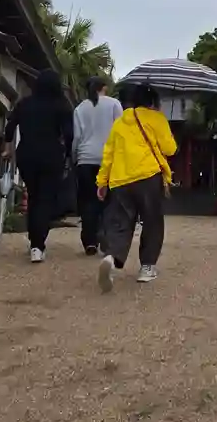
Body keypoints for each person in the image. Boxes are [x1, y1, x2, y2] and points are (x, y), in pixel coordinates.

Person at [95, 82, 177, 291]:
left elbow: (108, 154)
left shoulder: (120, 122)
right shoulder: (157, 118)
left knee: (120, 223)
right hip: (148, 177)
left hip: (120, 180)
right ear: (153, 101)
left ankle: (111, 257)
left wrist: (102, 182)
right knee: (152, 221)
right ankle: (147, 267)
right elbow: (170, 149)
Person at [1, 69, 73, 263]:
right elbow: (69, 134)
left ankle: (34, 241)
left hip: (27, 155)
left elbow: (10, 126)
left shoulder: (25, 103)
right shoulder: (61, 105)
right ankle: (37, 245)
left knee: (33, 196)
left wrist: (7, 148)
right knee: (46, 199)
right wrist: (67, 154)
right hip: (51, 155)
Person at [71, 77, 123, 256]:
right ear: (104, 88)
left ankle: (90, 241)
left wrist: (75, 157)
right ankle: (106, 237)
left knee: (88, 201)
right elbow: (121, 132)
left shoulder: (80, 108)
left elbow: (77, 138)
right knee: (109, 202)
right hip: (109, 160)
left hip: (85, 159)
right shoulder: (114, 104)